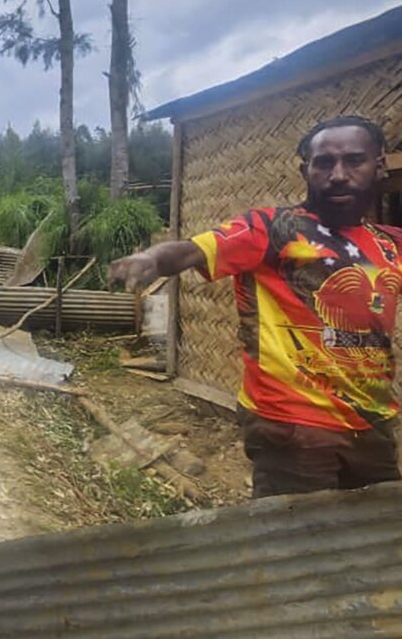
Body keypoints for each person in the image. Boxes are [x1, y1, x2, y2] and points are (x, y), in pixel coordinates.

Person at [109, 116, 402, 498]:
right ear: (305, 170)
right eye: (324, 163)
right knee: (295, 543)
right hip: (293, 422)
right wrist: (151, 259)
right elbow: (193, 249)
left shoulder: (390, 244)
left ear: (379, 166)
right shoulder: (270, 228)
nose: (338, 175)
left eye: (354, 160)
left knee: (375, 541)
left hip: (373, 421)